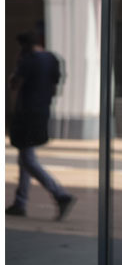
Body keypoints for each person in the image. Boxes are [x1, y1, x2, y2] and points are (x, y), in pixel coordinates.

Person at [6, 32, 76, 220]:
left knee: (28, 159)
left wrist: (17, 65)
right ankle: (20, 203)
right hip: (42, 112)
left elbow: (14, 84)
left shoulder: (27, 60)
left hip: (26, 114)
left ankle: (60, 195)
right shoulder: (52, 59)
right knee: (25, 156)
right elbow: (56, 84)